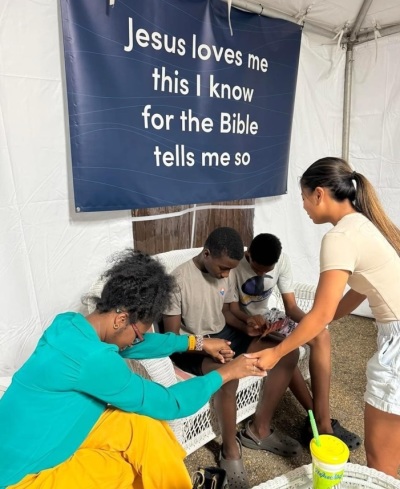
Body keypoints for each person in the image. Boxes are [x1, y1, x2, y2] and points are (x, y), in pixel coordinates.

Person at [0, 250, 266, 489]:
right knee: (130, 471)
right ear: (120, 319)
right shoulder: (96, 361)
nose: (137, 341)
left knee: (143, 427)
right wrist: (228, 372)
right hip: (22, 478)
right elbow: (171, 402)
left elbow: (134, 345)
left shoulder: (69, 325)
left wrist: (197, 342)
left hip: (44, 433)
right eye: (138, 333)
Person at [247, 157, 400, 478]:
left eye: (303, 197)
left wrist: (276, 352)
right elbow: (361, 288)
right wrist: (325, 322)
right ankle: (322, 418)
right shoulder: (364, 223)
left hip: (396, 344)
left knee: (381, 467)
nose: (303, 206)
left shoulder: (339, 236)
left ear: (319, 194)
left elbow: (320, 311)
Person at [163, 227, 301, 489]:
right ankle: (230, 450)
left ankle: (259, 430)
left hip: (223, 335)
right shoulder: (178, 280)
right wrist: (206, 345)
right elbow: (171, 339)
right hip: (191, 346)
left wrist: (247, 326)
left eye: (230, 270)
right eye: (223, 269)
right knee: (228, 377)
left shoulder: (224, 271)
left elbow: (225, 312)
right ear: (206, 254)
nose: (226, 275)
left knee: (285, 352)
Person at [224, 233, 361, 450]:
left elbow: (291, 307)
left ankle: (322, 420)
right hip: (247, 325)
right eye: (257, 269)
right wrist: (250, 320)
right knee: (288, 353)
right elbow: (231, 311)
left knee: (321, 335)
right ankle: (319, 421)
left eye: (266, 271)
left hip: (270, 318)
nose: (261, 274)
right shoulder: (233, 267)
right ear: (248, 255)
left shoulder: (283, 261)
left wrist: (313, 324)